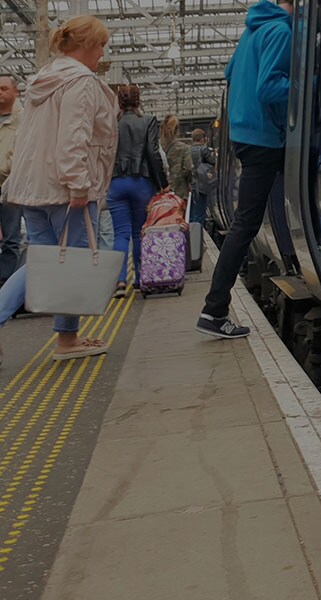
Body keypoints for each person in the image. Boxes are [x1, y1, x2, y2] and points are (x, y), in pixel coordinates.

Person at [0, 15, 118, 362]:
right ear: (84, 46)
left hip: (33, 188)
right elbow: (73, 137)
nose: (102, 53)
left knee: (48, 262)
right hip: (65, 189)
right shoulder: (80, 82)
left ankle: (68, 338)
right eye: (100, 45)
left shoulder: (43, 79)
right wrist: (79, 185)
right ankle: (65, 340)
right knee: (70, 263)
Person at [196, 0, 292, 339]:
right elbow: (269, 87)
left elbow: (230, 72)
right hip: (265, 136)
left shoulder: (253, 30)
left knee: (247, 220)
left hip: (245, 135)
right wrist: (311, 84)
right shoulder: (281, 30)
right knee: (245, 224)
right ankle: (214, 309)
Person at [106, 84, 168, 297]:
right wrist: (162, 182)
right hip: (141, 182)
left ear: (119, 102)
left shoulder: (111, 124)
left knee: (120, 234)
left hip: (116, 183)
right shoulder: (148, 121)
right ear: (139, 100)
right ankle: (142, 278)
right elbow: (152, 153)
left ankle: (120, 282)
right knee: (140, 232)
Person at [0, 75, 24, 284]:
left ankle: (5, 282)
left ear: (15, 92)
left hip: (11, 187)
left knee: (11, 238)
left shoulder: (24, 119)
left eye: (4, 88)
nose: (0, 93)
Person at [161, 114, 193, 200]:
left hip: (160, 193)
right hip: (180, 192)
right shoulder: (184, 148)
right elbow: (188, 168)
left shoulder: (156, 148)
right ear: (177, 130)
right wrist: (189, 182)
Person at [188, 128, 215, 224]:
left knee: (191, 212)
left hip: (191, 185)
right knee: (200, 213)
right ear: (203, 139)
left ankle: (190, 234)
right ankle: (197, 235)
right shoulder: (204, 149)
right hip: (202, 184)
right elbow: (212, 162)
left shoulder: (188, 150)